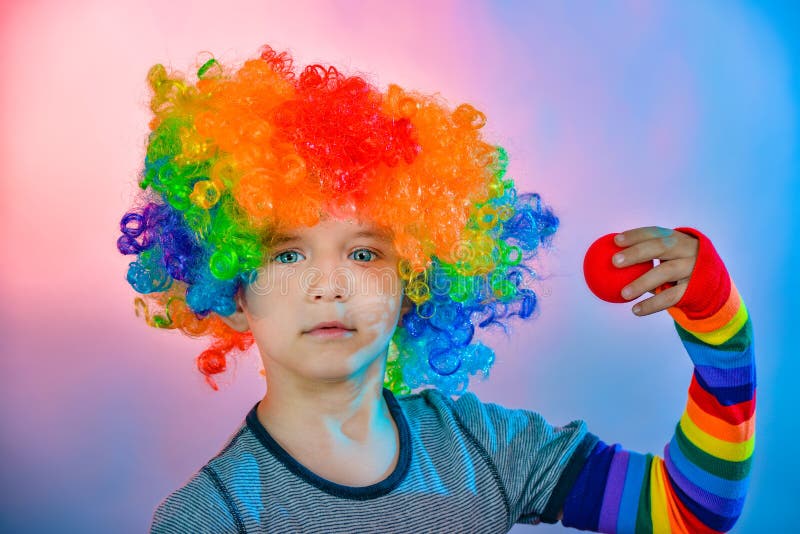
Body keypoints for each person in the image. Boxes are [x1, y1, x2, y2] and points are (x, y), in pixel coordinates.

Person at [118, 45, 755, 533]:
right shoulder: (214, 518)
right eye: (288, 253)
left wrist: (720, 325)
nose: (330, 284)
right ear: (230, 289)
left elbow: (689, 512)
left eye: (365, 252)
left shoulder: (483, 447)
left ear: (416, 279)